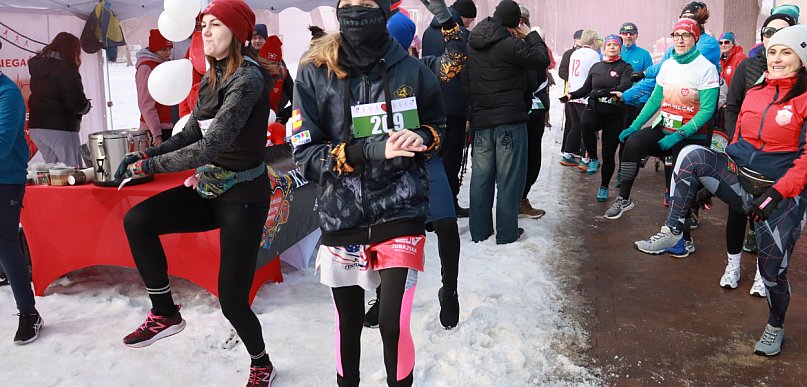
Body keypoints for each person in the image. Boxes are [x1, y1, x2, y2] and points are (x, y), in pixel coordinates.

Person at [115, 1, 277, 385]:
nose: (204, 31)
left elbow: (210, 146)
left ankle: (261, 362)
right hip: (210, 189)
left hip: (244, 197)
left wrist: (147, 167)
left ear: (236, 33)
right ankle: (165, 312)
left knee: (232, 300)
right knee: (138, 220)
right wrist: (148, 152)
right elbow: (193, 132)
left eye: (215, 25)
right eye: (202, 25)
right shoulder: (214, 72)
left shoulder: (248, 79)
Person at [291, 0, 446, 384]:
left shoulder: (411, 68)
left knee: (392, 325)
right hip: (342, 215)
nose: (356, 11)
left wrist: (424, 136)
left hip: (401, 208)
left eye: (366, 4)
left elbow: (437, 125)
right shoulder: (314, 71)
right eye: (348, 4)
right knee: (348, 326)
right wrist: (368, 150)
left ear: (383, 10)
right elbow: (304, 154)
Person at [634, 25, 807, 357]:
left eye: (786, 52)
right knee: (692, 155)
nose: (777, 58)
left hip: (781, 197)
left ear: (802, 59)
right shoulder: (756, 91)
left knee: (773, 273)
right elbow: (738, 143)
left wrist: (777, 194)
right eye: (773, 52)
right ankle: (674, 230)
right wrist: (709, 182)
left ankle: (775, 324)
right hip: (743, 179)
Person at [363, 3, 467, 331]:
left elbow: (457, 58)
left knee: (447, 225)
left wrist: (447, 20)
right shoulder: (360, 75)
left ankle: (449, 290)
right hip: (383, 170)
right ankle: (381, 296)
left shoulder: (421, 68)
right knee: (381, 235)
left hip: (425, 161)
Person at [609, 18, 719, 230]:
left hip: (690, 135)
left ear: (695, 38)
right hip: (664, 127)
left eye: (685, 35)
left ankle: (682, 237)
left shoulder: (705, 68)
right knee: (633, 143)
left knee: (681, 181)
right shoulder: (668, 65)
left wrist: (680, 134)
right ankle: (624, 199)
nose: (679, 40)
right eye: (676, 35)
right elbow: (654, 100)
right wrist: (634, 126)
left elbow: (707, 110)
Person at [717, 12, 797, 295]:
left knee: (768, 221)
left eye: (781, 34)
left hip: (780, 168)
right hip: (744, 158)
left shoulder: (801, 80)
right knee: (737, 213)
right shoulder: (749, 67)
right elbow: (733, 106)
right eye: (768, 34)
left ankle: (764, 276)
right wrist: (733, 145)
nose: (772, 40)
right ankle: (733, 265)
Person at [463, 0, 549, 244]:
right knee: (509, 180)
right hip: (510, 120)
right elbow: (541, 60)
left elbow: (466, 83)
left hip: (482, 120)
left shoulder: (472, 43)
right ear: (515, 23)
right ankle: (507, 233)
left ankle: (479, 232)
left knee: (481, 178)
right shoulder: (511, 45)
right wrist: (531, 35)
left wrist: (474, 112)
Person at [0, 40, 43, 345]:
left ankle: (28, 312)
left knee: (4, 242)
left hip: (6, 179)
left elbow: (2, 145)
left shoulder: (8, 93)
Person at [564, 34, 633, 202]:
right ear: (603, 48)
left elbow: (625, 85)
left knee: (609, 154)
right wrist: (571, 95)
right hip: (595, 109)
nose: (611, 47)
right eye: (608, 44)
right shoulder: (596, 67)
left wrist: (609, 92)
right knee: (585, 123)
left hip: (614, 114)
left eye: (615, 45)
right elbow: (586, 88)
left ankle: (603, 186)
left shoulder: (625, 67)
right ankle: (593, 159)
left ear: (620, 48)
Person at [422, 0, 475, 217]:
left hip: (431, 104)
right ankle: (448, 207)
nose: (470, 24)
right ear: (463, 17)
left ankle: (429, 207)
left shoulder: (427, 32)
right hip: (455, 106)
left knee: (432, 157)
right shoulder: (462, 35)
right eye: (470, 20)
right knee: (452, 159)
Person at [27, 32, 91, 168]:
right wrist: (87, 106)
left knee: (54, 173)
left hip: (36, 127)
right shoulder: (67, 71)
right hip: (61, 128)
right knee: (73, 171)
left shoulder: (38, 68)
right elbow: (75, 103)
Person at [518, 5, 550, 218]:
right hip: (523, 110)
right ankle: (517, 200)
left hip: (534, 109)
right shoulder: (518, 45)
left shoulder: (532, 43)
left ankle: (520, 198)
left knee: (531, 157)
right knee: (526, 158)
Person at [559, 29, 600, 168]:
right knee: (588, 129)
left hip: (571, 94)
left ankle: (567, 155)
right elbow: (595, 74)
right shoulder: (594, 55)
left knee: (575, 126)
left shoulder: (575, 53)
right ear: (594, 41)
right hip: (584, 96)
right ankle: (585, 159)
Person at [136, 29, 174, 146]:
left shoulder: (165, 64)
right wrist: (156, 132)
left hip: (169, 125)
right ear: (154, 49)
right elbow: (145, 103)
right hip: (155, 130)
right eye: (163, 50)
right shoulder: (146, 68)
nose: (168, 53)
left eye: (169, 49)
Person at [619, 22, 653, 127]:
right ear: (620, 35)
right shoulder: (615, 51)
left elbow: (650, 78)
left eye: (632, 33)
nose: (628, 36)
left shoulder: (644, 54)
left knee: (628, 134)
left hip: (635, 101)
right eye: (625, 33)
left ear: (636, 36)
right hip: (616, 100)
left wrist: (643, 100)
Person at [258, 36, 294, 124]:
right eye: (263, 64)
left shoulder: (283, 74)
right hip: (254, 123)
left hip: (273, 121)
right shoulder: (252, 74)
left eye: (274, 63)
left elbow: (297, 101)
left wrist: (284, 115)